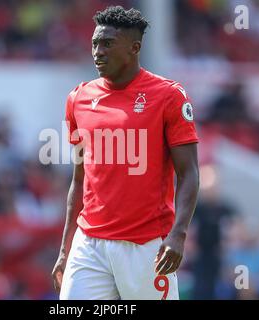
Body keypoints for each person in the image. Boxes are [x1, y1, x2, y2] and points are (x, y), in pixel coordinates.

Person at [52, 6, 199, 300]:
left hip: (145, 246)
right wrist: (66, 248)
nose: (98, 52)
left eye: (107, 44)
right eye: (95, 43)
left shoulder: (169, 96)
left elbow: (189, 173)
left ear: (134, 48)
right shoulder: (78, 98)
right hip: (89, 243)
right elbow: (79, 180)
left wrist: (178, 234)